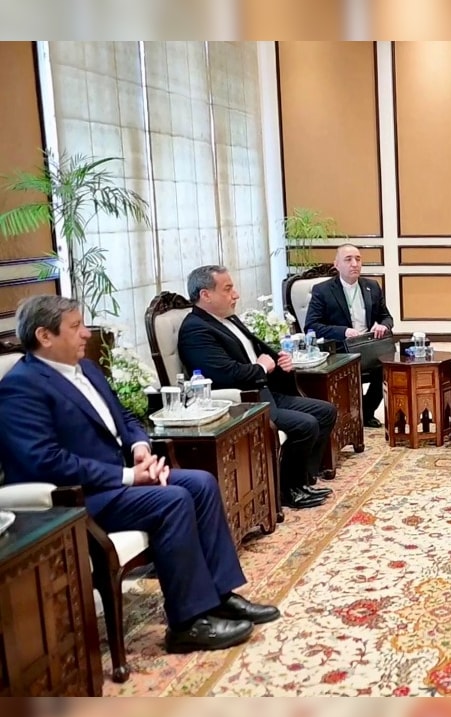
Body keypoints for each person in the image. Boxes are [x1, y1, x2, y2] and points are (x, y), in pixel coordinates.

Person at [0, 296, 280, 653]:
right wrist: (130, 476)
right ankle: (187, 622)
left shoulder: (84, 369)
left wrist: (140, 450)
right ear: (44, 335)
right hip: (78, 497)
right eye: (75, 327)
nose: (86, 333)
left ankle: (219, 594)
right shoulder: (21, 388)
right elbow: (46, 461)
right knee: (174, 500)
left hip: (121, 476)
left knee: (201, 483)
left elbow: (126, 418)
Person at [177, 265, 335, 510]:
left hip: (266, 392)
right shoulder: (196, 330)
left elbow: (257, 352)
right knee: (305, 425)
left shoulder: (228, 318)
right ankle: (287, 491)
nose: (236, 295)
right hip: (245, 401)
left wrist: (280, 361)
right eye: (228, 289)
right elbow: (225, 374)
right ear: (205, 295)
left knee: (325, 411)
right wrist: (262, 368)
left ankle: (301, 480)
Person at [303, 244, 393, 428]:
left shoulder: (371, 286)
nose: (354, 264)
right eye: (348, 259)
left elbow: (386, 317)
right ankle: (351, 414)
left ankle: (366, 412)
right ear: (336, 264)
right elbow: (311, 326)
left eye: (358, 259)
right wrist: (342, 331)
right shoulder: (323, 290)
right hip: (339, 349)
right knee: (348, 372)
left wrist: (383, 326)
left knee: (387, 367)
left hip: (367, 346)